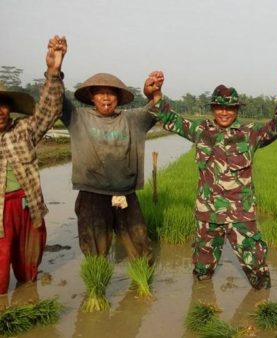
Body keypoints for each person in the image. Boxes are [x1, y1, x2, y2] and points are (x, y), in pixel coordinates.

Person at [148, 77, 277, 289]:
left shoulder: (249, 134)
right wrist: (156, 95)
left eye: (229, 108)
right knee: (202, 270)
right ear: (212, 108)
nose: (224, 113)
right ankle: (202, 306)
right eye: (219, 108)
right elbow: (170, 119)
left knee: (257, 267)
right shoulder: (200, 131)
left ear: (237, 110)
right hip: (208, 215)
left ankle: (262, 307)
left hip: (241, 215)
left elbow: (276, 127)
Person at [60, 70, 164, 263]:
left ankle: (142, 288)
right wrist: (54, 71)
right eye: (100, 92)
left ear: (118, 97)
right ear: (92, 97)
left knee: (140, 246)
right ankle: (96, 291)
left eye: (111, 93)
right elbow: (56, 100)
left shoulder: (132, 120)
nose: (106, 97)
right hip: (91, 195)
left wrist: (155, 94)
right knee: (94, 252)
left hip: (125, 195)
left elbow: (158, 109)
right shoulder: (77, 117)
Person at [0, 36, 67, 295]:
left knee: (29, 270)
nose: (0, 111)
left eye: (3, 105)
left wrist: (53, 70)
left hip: (28, 208)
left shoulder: (23, 131)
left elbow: (49, 111)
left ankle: (28, 302)